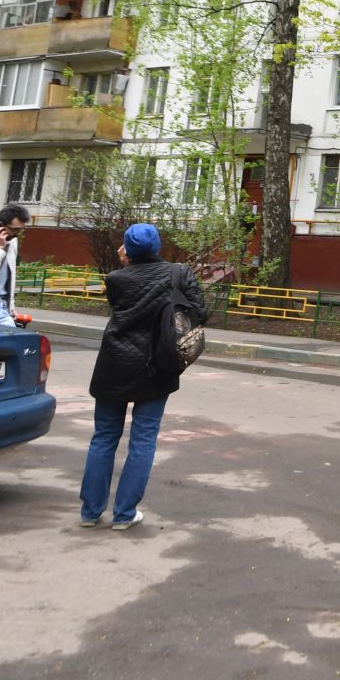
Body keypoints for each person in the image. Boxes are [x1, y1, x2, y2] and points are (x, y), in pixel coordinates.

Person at [79, 223, 206, 531]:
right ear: (158, 245)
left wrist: (126, 266)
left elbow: (125, 303)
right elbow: (201, 313)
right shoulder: (178, 274)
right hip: (156, 364)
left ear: (127, 250)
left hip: (114, 364)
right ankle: (124, 515)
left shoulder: (115, 278)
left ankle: (90, 512)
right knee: (143, 439)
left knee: (104, 437)